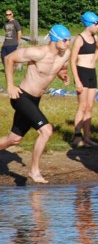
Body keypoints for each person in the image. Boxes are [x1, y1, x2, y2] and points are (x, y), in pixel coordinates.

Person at [0, 24, 73, 183]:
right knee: (46, 130)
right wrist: (11, 85)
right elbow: (8, 58)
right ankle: (34, 171)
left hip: (35, 100)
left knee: (13, 139)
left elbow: (59, 68)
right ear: (55, 40)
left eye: (69, 40)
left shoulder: (65, 54)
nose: (68, 43)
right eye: (65, 40)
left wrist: (63, 75)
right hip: (21, 97)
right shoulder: (38, 52)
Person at [70, 11, 98, 147]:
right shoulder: (79, 39)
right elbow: (72, 61)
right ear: (89, 24)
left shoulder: (95, 38)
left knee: (90, 107)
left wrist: (93, 59)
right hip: (82, 73)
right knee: (82, 106)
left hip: (92, 73)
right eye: (96, 24)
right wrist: (77, 80)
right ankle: (77, 136)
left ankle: (87, 137)